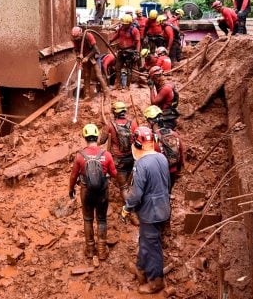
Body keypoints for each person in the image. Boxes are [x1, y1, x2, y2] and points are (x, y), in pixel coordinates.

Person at [121, 126, 170, 294]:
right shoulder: (162, 158)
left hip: (150, 212)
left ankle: (156, 282)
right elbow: (167, 184)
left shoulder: (141, 164)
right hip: (163, 207)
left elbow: (136, 195)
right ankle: (141, 269)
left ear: (137, 145)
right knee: (145, 240)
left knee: (152, 246)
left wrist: (127, 208)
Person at [69, 123, 118, 260]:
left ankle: (90, 249)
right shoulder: (106, 155)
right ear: (97, 137)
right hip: (102, 192)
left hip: (86, 191)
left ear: (85, 138)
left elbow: (73, 175)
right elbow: (114, 173)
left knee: (88, 219)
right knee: (101, 219)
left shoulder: (80, 156)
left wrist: (71, 189)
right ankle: (102, 250)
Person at [144, 105, 185, 192]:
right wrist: (179, 168)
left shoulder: (153, 138)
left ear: (151, 122)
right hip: (173, 170)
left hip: (160, 173)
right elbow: (181, 152)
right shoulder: (174, 134)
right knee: (168, 192)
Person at [105, 102, 138, 193]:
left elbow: (101, 141)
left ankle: (128, 206)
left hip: (119, 161)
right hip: (132, 157)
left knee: (124, 187)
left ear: (115, 113)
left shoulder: (110, 125)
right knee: (132, 183)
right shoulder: (133, 123)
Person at [109, 14, 141, 90]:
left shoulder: (134, 30)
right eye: (123, 24)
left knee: (129, 69)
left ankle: (127, 86)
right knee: (117, 68)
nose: (124, 25)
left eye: (125, 24)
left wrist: (137, 52)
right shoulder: (121, 28)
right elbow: (117, 35)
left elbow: (138, 42)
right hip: (121, 50)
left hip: (129, 52)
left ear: (130, 23)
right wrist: (111, 40)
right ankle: (118, 85)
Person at [72, 26, 100, 99]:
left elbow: (95, 49)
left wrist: (87, 57)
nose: (76, 39)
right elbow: (76, 50)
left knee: (98, 75)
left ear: (81, 33)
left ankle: (106, 93)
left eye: (77, 37)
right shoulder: (75, 39)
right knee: (86, 76)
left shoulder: (88, 35)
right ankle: (86, 95)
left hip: (94, 57)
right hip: (84, 58)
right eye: (75, 38)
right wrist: (79, 55)